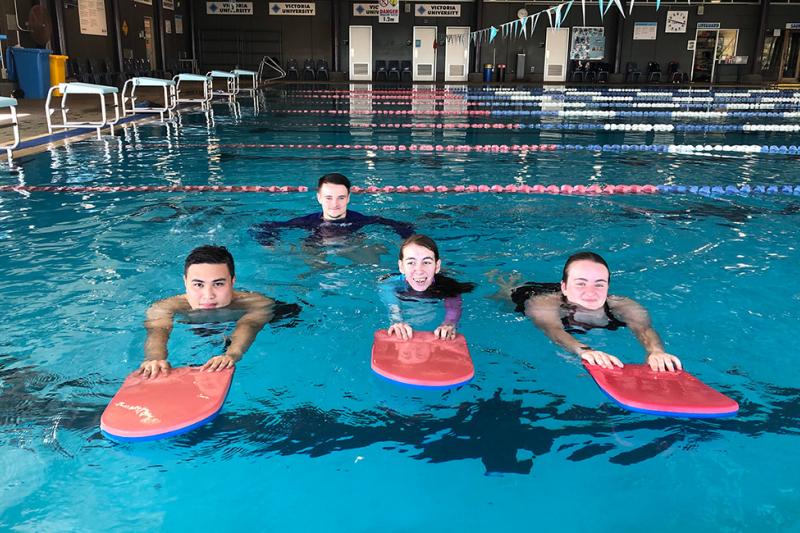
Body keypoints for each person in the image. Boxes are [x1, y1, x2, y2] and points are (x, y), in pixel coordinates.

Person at [515, 251, 682, 372]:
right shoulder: (542, 303)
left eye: (599, 284)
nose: (591, 292)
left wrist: (656, 351)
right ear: (564, 287)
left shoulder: (623, 306)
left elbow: (644, 329)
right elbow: (553, 329)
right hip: (529, 292)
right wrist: (584, 350)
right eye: (581, 283)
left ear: (608, 287)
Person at [138, 245, 274, 379]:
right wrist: (155, 359)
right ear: (185, 282)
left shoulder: (256, 303)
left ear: (233, 281)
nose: (208, 295)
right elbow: (158, 331)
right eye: (198, 284)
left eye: (218, 284)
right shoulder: (166, 307)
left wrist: (231, 355)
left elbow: (249, 325)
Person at [250, 173, 414, 247]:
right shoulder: (308, 222)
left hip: (352, 249)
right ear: (319, 197)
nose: (335, 204)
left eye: (341, 198)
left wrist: (404, 240)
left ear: (349, 198)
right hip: (317, 251)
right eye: (329, 198)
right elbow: (262, 227)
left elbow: (403, 226)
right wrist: (268, 243)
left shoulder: (360, 220)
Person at [380, 234, 475, 341]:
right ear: (401, 266)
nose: (419, 270)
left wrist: (449, 323)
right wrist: (397, 320)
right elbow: (390, 302)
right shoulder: (390, 284)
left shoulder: (448, 287)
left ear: (437, 266)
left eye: (426, 262)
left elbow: (453, 309)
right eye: (411, 262)